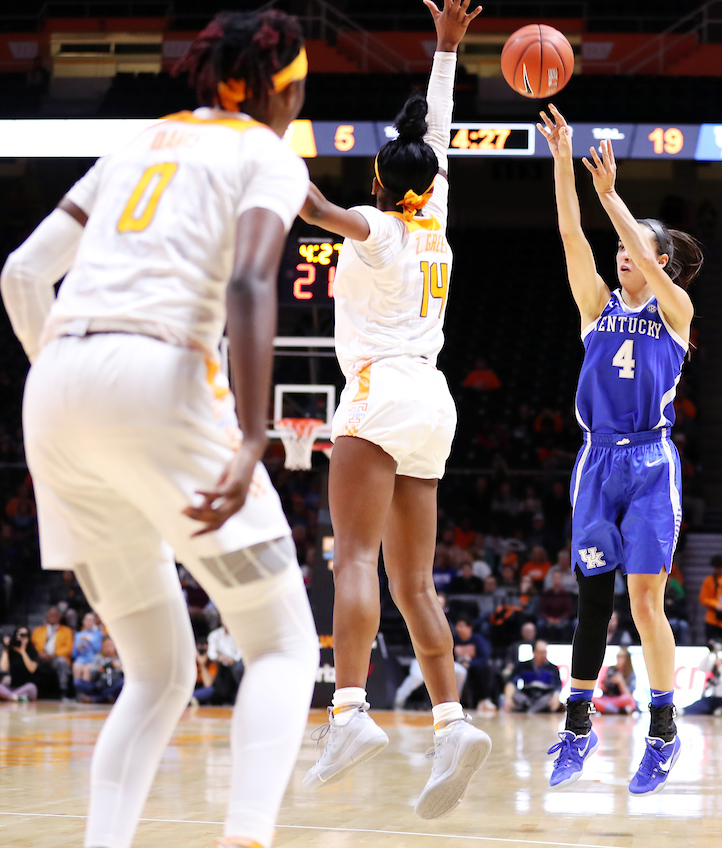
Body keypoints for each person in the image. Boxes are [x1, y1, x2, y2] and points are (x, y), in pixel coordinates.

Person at [0, 11, 320, 847]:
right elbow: (252, 282)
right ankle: (244, 838)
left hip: (58, 387)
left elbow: (23, 274)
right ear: (280, 90)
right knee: (284, 645)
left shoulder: (141, 142)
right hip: (162, 379)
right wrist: (254, 436)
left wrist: (71, 375)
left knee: (160, 671)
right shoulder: (268, 154)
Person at [297, 1, 491, 816]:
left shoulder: (376, 224)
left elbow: (313, 210)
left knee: (353, 561)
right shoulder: (435, 219)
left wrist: (266, 144)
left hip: (379, 391)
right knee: (415, 582)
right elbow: (436, 139)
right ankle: (452, 723)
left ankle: (349, 710)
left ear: (380, 180)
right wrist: (445, 52)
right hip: (433, 401)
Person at [537, 105, 704, 796]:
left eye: (636, 245)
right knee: (591, 599)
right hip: (596, 461)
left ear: (659, 260)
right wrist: (562, 158)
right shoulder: (595, 306)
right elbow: (571, 231)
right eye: (621, 246)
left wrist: (614, 198)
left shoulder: (676, 314)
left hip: (650, 463)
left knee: (644, 602)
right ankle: (579, 725)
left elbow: (612, 225)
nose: (621, 251)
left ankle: (663, 733)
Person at [504, 639, 562, 713]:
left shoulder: (553, 668)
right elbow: (511, 682)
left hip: (544, 696)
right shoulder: (522, 666)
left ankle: (531, 710)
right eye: (541, 652)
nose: (544, 655)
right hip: (527, 696)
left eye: (545, 652)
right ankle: (531, 709)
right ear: (534, 652)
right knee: (515, 695)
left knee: (551, 698)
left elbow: (557, 687)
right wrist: (508, 698)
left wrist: (556, 697)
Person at [31, 606, 73, 699]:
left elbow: (68, 648)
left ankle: (63, 691)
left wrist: (54, 655)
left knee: (61, 662)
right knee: (29, 661)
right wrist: (39, 654)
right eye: (50, 615)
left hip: (56, 658)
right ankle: (30, 690)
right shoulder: (38, 631)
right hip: (40, 658)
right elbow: (32, 646)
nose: (52, 617)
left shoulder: (66, 631)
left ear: (59, 617)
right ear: (46, 617)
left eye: (55, 615)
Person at [0, 628, 39, 702]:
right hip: (12, 687)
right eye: (20, 635)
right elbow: (4, 667)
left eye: (24, 635)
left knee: (32, 687)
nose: (22, 638)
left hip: (26, 688)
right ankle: (15, 698)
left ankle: (6, 697)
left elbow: (32, 669)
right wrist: (7, 648)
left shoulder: (32, 651)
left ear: (28, 637)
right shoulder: (10, 651)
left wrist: (22, 651)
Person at [452, 618, 493, 710]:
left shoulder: (477, 639)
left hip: (473, 666)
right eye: (457, 626)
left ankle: (484, 699)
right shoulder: (453, 639)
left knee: (486, 669)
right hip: (456, 666)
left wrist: (470, 664)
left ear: (469, 628)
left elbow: (484, 657)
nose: (458, 628)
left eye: (461, 626)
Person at [75, 636, 125, 704]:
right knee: (78, 682)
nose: (108, 648)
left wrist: (119, 667)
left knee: (122, 683)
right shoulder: (98, 657)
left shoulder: (120, 659)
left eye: (110, 646)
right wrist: (98, 671)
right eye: (106, 646)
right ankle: (104, 698)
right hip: (99, 687)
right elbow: (92, 679)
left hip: (113, 687)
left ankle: (96, 698)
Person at [593, 646, 638, 714]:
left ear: (627, 659)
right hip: (608, 699)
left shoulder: (631, 673)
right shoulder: (611, 669)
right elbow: (603, 688)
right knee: (592, 700)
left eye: (621, 657)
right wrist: (605, 684)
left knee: (630, 700)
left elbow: (629, 695)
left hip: (620, 700)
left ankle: (609, 710)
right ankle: (617, 710)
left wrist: (620, 682)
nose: (618, 659)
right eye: (618, 656)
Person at [537, 569, 576, 642]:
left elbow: (569, 611)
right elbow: (541, 610)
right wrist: (549, 619)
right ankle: (541, 643)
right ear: (552, 580)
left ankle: (566, 643)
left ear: (561, 580)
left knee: (568, 624)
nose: (556, 580)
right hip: (548, 619)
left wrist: (559, 619)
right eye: (555, 578)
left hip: (563, 619)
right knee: (540, 624)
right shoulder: (546, 594)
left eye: (558, 578)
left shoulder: (566, 594)